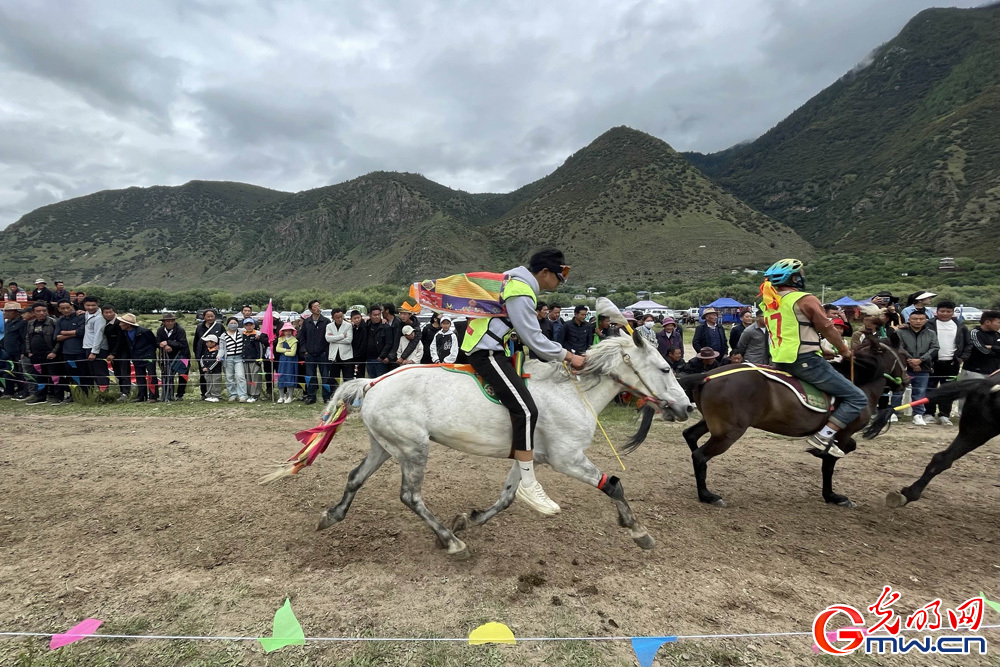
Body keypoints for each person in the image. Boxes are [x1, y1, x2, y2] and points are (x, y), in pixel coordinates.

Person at [461, 249, 585, 516]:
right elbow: (534, 339)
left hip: (495, 350)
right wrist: (569, 356)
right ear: (544, 273)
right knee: (527, 410)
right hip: (487, 352)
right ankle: (528, 484)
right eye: (558, 276)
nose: (560, 282)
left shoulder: (514, 281)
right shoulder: (520, 291)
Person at [760, 258, 866, 457]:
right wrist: (843, 350)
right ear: (795, 278)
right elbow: (827, 327)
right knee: (857, 397)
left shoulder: (769, 302)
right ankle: (823, 436)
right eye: (801, 274)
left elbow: (793, 330)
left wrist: (819, 348)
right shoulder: (805, 298)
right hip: (805, 360)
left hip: (780, 359)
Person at [925, 300, 972, 425]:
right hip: (932, 363)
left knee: (948, 390)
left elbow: (969, 344)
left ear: (953, 312)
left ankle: (944, 415)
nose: (945, 314)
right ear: (937, 312)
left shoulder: (960, 326)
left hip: (952, 363)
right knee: (930, 388)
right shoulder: (928, 324)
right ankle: (928, 414)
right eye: (942, 311)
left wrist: (962, 358)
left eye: (948, 311)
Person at [895, 309, 939, 426]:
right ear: (909, 319)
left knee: (920, 391)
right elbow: (899, 347)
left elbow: (934, 348)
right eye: (915, 319)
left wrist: (920, 360)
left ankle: (918, 414)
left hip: (923, 366)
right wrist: (911, 361)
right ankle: (895, 412)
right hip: (903, 366)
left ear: (926, 320)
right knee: (899, 390)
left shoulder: (931, 333)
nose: (918, 321)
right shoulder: (901, 332)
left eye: (921, 319)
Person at [23, 302, 61, 404]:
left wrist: (54, 352)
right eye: (38, 311)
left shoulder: (53, 322)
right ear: (33, 313)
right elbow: (27, 338)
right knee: (40, 377)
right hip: (35, 355)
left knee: (54, 376)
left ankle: (57, 396)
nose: (42, 313)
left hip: (50, 354)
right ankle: (41, 397)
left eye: (44, 311)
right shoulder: (31, 323)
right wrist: (29, 352)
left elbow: (58, 340)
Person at [118, 313, 158, 402]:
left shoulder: (145, 332)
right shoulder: (124, 333)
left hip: (148, 356)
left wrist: (149, 353)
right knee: (139, 376)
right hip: (136, 357)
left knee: (151, 376)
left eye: (122, 322)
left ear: (128, 324)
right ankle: (141, 396)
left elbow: (154, 343)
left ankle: (153, 396)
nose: (120, 324)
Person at [298, 300, 331, 405]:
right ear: (311, 309)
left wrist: (326, 351)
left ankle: (326, 397)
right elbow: (302, 337)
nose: (318, 308)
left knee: (325, 376)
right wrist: (305, 350)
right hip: (310, 354)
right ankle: (311, 396)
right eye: (315, 306)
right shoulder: (307, 322)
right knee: (310, 376)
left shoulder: (326, 321)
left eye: (319, 306)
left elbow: (329, 336)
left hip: (323, 354)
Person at [54, 300, 85, 402]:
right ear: (59, 309)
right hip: (67, 353)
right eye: (63, 308)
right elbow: (56, 337)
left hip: (81, 352)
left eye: (68, 307)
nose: (66, 310)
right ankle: (74, 395)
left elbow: (81, 332)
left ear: (72, 306)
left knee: (84, 375)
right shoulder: (60, 321)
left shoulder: (80, 317)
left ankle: (85, 394)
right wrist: (72, 333)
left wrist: (64, 333)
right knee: (72, 376)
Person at [156, 312, 189, 401]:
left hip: (182, 356)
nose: (170, 323)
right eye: (168, 321)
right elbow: (157, 342)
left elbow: (182, 343)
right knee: (167, 375)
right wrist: (164, 346)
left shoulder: (180, 330)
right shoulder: (160, 330)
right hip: (166, 356)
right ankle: (168, 394)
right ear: (164, 322)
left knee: (182, 375)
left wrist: (168, 343)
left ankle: (180, 395)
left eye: (172, 321)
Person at [102, 304, 131, 402]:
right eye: (106, 312)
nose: (109, 314)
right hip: (112, 351)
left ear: (114, 312)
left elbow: (120, 340)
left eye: (111, 312)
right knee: (118, 373)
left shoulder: (119, 323)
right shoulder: (105, 323)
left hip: (122, 351)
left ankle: (126, 392)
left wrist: (113, 353)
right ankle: (122, 390)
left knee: (124, 372)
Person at [193, 309, 224, 400]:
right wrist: (197, 354)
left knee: (215, 374)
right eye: (208, 316)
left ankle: (215, 394)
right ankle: (204, 393)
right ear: (204, 317)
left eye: (212, 316)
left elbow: (223, 338)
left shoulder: (219, 326)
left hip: (215, 354)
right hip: (202, 354)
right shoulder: (199, 327)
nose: (210, 318)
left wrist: (220, 348)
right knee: (203, 374)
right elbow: (196, 341)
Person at [963, 311, 1000, 379]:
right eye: (998, 323)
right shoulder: (974, 333)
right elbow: (983, 351)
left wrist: (992, 347)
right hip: (975, 372)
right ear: (987, 322)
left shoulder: (997, 335)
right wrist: (997, 350)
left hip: (993, 373)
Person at [81, 296, 106, 394]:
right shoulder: (86, 314)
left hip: (96, 348)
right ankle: (97, 393)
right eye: (88, 305)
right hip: (87, 346)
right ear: (84, 305)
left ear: (97, 305)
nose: (91, 307)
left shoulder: (100, 317)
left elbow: (98, 334)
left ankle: (104, 394)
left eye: (93, 305)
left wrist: (94, 351)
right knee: (92, 372)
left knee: (100, 372)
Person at [1, 302, 27, 398]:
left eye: (8, 311)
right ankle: (10, 391)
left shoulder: (22, 323)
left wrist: (23, 352)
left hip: (18, 352)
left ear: (15, 312)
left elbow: (24, 338)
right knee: (9, 372)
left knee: (20, 373)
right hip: (8, 352)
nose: (5, 314)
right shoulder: (8, 323)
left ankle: (24, 390)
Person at [221, 316, 247, 402]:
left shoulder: (241, 332)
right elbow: (221, 349)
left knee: (240, 376)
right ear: (227, 324)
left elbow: (253, 332)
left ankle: (242, 395)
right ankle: (232, 394)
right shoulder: (223, 336)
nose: (233, 325)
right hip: (228, 358)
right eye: (231, 323)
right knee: (229, 377)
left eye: (235, 323)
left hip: (239, 357)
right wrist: (219, 356)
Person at [325, 308, 354, 384]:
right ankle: (334, 395)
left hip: (346, 356)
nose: (340, 319)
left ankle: (348, 395)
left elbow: (349, 340)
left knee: (348, 379)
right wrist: (342, 336)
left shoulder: (348, 325)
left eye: (341, 316)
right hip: (334, 356)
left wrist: (334, 338)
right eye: (337, 317)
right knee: (334, 380)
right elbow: (328, 339)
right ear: (333, 318)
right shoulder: (329, 326)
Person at [241, 317, 265, 402]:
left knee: (255, 378)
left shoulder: (257, 335)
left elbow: (260, 348)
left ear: (254, 325)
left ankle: (255, 394)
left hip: (254, 360)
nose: (249, 327)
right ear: (244, 326)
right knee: (248, 378)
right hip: (245, 359)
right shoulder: (242, 334)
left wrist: (259, 359)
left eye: (250, 325)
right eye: (247, 325)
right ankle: (249, 394)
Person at [363, 306, 390, 378]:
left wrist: (382, 356)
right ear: (370, 315)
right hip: (369, 358)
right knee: (371, 380)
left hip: (380, 359)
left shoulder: (385, 327)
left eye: (379, 314)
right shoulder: (367, 325)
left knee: (381, 380)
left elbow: (389, 343)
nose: (377, 317)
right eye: (375, 315)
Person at [275, 322, 299, 403]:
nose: (287, 332)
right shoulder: (281, 339)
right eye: (286, 331)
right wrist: (287, 350)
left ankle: (290, 396)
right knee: (281, 377)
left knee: (290, 377)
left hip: (291, 361)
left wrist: (284, 352)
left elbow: (293, 353)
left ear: (292, 331)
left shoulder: (294, 340)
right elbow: (277, 349)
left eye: (289, 331)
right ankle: (281, 396)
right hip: (282, 361)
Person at [199, 334, 224, 402]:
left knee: (216, 383)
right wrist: (203, 367)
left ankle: (216, 395)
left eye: (208, 342)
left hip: (216, 371)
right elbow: (202, 359)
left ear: (213, 342)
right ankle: (209, 395)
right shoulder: (206, 350)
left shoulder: (217, 351)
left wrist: (209, 368)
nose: (206, 343)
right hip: (207, 371)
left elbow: (217, 361)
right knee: (209, 382)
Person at [349, 309, 367, 378]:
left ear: (361, 317)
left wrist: (359, 353)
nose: (357, 320)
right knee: (352, 373)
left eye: (358, 318)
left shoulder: (364, 327)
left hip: (361, 355)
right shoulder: (351, 327)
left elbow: (364, 342)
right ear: (351, 319)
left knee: (360, 373)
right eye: (355, 318)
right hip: (352, 354)